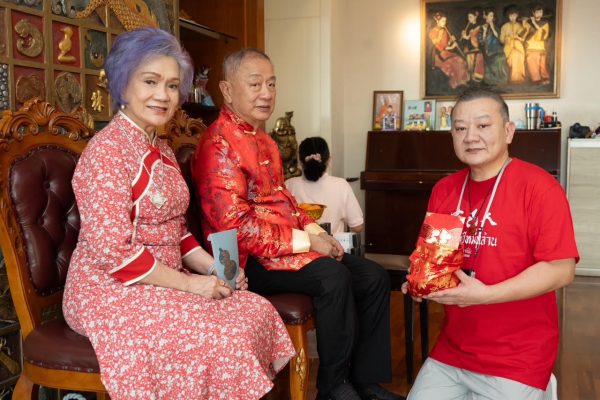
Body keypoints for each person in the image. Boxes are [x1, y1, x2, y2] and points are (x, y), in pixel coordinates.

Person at [62, 28, 294, 400]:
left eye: (172, 85)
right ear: (123, 84)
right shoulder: (107, 152)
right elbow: (114, 254)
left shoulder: (163, 150)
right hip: (109, 290)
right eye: (150, 81)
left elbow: (176, 230)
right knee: (224, 336)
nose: (163, 95)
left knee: (254, 309)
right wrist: (190, 285)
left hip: (162, 281)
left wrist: (214, 268)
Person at [192, 48, 403, 400]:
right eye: (255, 84)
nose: (266, 93)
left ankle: (364, 381)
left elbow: (286, 202)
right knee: (333, 277)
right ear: (227, 90)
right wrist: (308, 242)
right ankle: (333, 387)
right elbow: (237, 227)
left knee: (372, 276)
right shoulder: (218, 145)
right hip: (247, 261)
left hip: (285, 246)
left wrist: (318, 233)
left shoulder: (265, 141)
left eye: (271, 84)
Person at [403, 88, 578, 400]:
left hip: (517, 358)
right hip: (452, 352)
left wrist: (485, 296)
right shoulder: (445, 189)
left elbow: (561, 270)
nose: (470, 137)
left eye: (483, 125)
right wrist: (422, 283)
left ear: (508, 131)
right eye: (460, 128)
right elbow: (435, 260)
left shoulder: (540, 188)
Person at [286, 136, 364, 236]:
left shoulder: (288, 185)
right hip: (332, 245)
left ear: (300, 162)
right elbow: (357, 226)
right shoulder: (341, 185)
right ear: (329, 160)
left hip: (300, 245)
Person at [428, 12, 468, 90]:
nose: (444, 23)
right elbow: (439, 47)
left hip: (445, 52)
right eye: (443, 21)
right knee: (457, 61)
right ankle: (454, 83)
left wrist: (451, 41)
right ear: (437, 21)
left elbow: (446, 45)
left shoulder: (444, 31)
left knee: (460, 60)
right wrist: (452, 46)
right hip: (438, 54)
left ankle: (460, 82)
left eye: (445, 21)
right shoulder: (433, 31)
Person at [523, 5, 551, 85]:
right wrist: (524, 23)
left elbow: (542, 36)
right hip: (531, 47)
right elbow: (524, 34)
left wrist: (534, 23)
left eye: (541, 12)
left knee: (542, 64)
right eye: (537, 12)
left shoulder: (545, 24)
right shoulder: (529, 23)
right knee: (532, 63)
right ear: (533, 13)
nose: (539, 14)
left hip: (540, 46)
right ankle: (536, 79)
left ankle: (545, 78)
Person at [500, 6, 527, 84]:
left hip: (519, 47)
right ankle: (515, 79)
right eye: (511, 15)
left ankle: (519, 78)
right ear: (508, 16)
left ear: (517, 16)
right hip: (508, 48)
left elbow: (523, 38)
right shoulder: (504, 26)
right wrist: (508, 38)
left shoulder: (519, 26)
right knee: (515, 55)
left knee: (518, 55)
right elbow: (501, 40)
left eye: (514, 15)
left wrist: (518, 37)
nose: (512, 17)